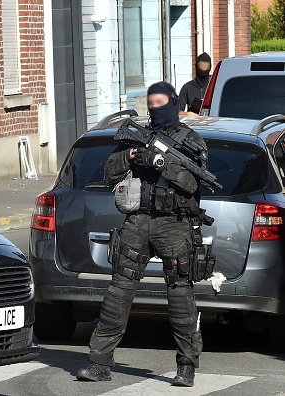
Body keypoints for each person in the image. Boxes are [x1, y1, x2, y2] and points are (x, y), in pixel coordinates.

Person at [76, 81, 206, 387]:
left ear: (174, 103)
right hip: (137, 221)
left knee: (180, 297)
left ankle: (186, 365)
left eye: (162, 102)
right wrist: (132, 155)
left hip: (174, 224)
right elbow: (108, 173)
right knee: (118, 293)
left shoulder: (191, 141)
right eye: (152, 103)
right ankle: (99, 362)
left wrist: (160, 163)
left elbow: (192, 184)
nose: (156, 108)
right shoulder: (137, 136)